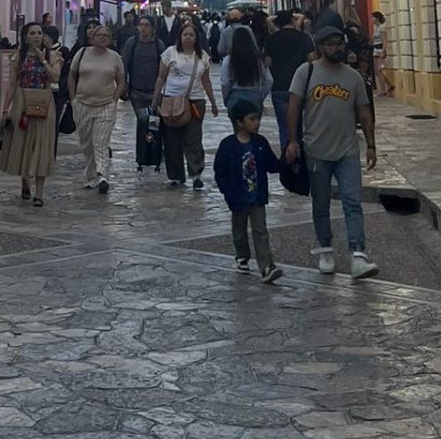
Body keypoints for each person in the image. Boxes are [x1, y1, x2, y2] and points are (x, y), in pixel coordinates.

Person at [285, 25, 378, 279]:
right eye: (331, 43)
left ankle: (358, 254)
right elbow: (293, 107)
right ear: (320, 47)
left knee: (352, 200)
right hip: (316, 149)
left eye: (340, 42)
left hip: (347, 149)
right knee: (321, 202)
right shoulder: (307, 72)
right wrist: (292, 141)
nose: (338, 47)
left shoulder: (353, 77)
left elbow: (364, 113)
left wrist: (370, 144)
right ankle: (325, 248)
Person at [213, 95, 282, 282]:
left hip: (257, 195)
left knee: (261, 230)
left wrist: (287, 161)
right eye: (252, 119)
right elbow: (220, 170)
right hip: (237, 196)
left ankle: (266, 265)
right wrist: (226, 190)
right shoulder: (228, 146)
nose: (256, 122)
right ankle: (242, 256)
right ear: (240, 122)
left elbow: (272, 165)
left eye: (257, 118)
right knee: (239, 229)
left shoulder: (260, 143)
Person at [151, 17, 219, 188]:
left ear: (197, 38)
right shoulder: (169, 53)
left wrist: (213, 102)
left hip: (195, 101)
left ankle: (196, 173)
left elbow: (206, 81)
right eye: (185, 34)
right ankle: (175, 175)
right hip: (171, 100)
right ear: (180, 37)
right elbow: (161, 77)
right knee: (172, 139)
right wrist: (155, 98)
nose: (188, 38)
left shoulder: (203, 56)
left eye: (191, 35)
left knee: (194, 138)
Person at [0, 22, 62, 205]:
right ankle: (25, 181)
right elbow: (12, 83)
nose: (36, 36)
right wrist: (6, 108)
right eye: (32, 33)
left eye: (39, 33)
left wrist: (43, 60)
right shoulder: (19, 56)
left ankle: (39, 193)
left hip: (43, 101)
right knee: (23, 141)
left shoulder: (53, 55)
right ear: (25, 36)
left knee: (42, 145)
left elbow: (55, 77)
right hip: (22, 100)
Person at [68, 20, 127, 193]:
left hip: (106, 105)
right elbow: (72, 76)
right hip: (83, 103)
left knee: (100, 142)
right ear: (92, 37)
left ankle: (102, 175)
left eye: (106, 35)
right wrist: (73, 99)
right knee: (86, 143)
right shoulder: (82, 53)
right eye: (99, 35)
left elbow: (121, 80)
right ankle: (91, 176)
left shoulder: (115, 57)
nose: (102, 38)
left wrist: (114, 99)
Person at [264, 9, 315, 152]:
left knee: (284, 126)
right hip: (302, 87)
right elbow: (312, 59)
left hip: (279, 86)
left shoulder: (272, 39)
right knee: (303, 125)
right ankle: (303, 156)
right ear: (293, 21)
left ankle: (287, 157)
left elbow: (267, 62)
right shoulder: (304, 38)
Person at [123, 16, 163, 171]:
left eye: (147, 25)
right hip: (137, 92)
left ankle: (154, 155)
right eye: (141, 25)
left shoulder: (158, 45)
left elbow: (163, 67)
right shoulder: (131, 43)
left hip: (154, 92)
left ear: (152, 28)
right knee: (143, 120)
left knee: (154, 124)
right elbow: (125, 64)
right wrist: (124, 84)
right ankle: (141, 156)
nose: (144, 28)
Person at [219, 22, 272, 115]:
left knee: (238, 127)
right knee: (253, 127)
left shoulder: (229, 60)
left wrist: (226, 99)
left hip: (235, 96)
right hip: (254, 95)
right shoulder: (258, 59)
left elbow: (225, 82)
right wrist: (261, 95)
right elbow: (269, 80)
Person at [371, 11, 392, 96]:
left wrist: (384, 51)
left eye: (372, 17)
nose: (371, 19)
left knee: (379, 70)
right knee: (377, 71)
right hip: (375, 49)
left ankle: (382, 90)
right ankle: (389, 84)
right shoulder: (376, 28)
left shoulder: (382, 28)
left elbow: (384, 40)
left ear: (376, 18)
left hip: (379, 50)